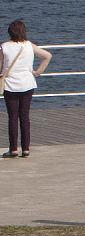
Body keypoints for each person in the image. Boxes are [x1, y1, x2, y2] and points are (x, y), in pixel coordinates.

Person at [1, 21, 49, 160]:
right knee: (24, 117)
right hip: (27, 84)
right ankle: (26, 149)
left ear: (10, 32)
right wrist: (37, 72)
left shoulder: (4, 47)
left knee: (13, 118)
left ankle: (13, 149)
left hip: (10, 86)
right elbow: (47, 56)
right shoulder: (29, 45)